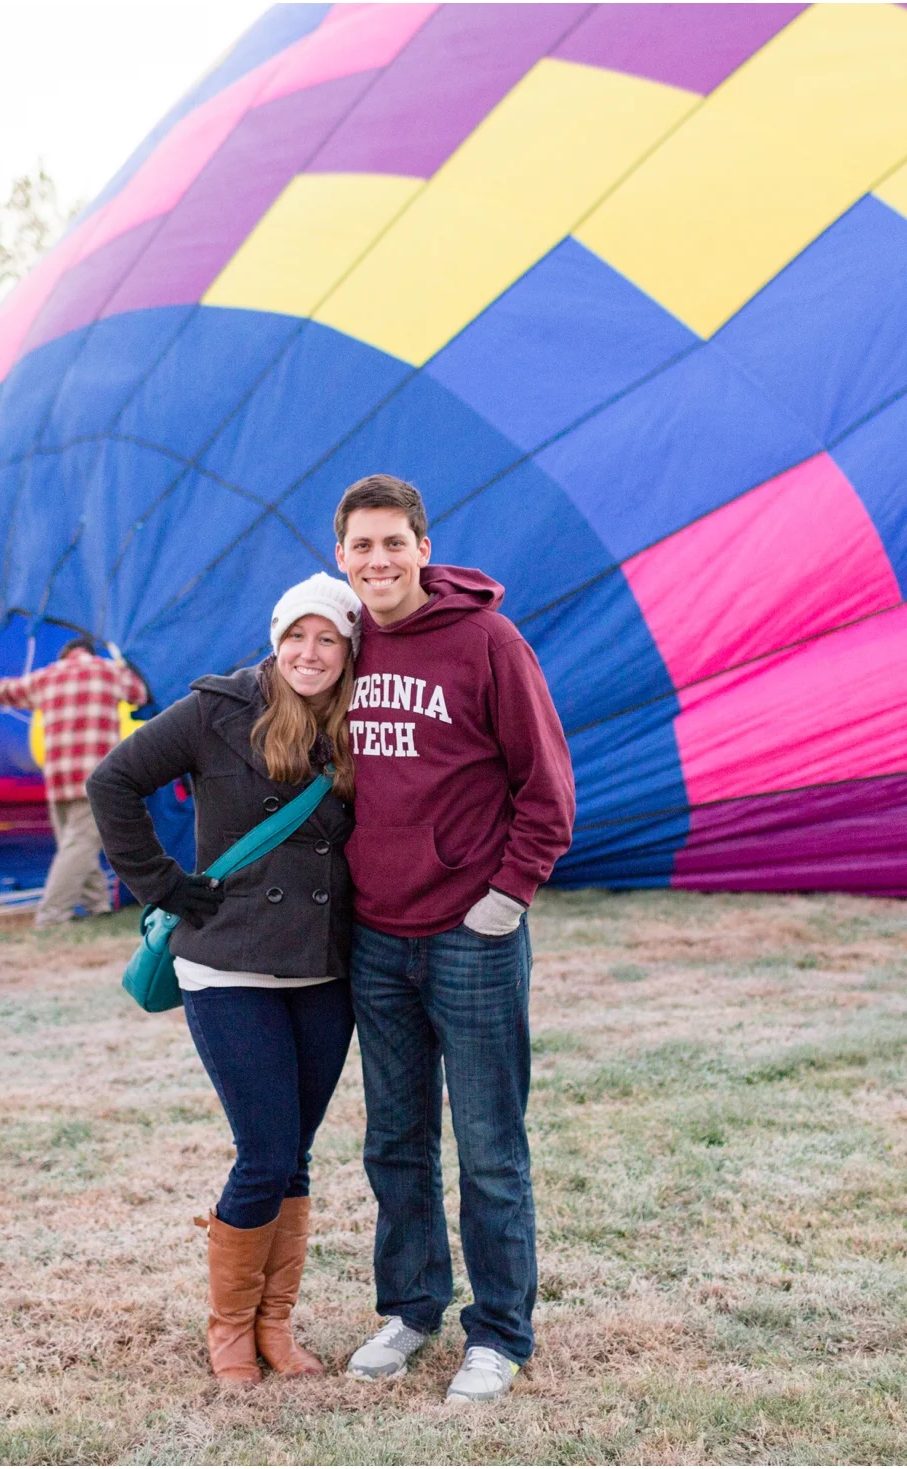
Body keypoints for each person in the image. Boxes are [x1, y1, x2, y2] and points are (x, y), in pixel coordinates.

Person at [331, 475, 575, 1405]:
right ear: (341, 555)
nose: (379, 561)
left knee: (489, 1146)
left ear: (424, 548)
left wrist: (506, 896)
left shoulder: (489, 641)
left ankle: (501, 1331)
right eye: (362, 547)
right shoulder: (345, 640)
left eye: (395, 543)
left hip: (471, 934)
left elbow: (546, 787)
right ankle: (412, 1306)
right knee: (394, 1140)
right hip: (377, 939)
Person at [85, 574, 364, 1385]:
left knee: (297, 1155)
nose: (309, 654)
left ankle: (276, 1324)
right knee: (265, 1149)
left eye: (328, 640)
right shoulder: (219, 707)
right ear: (275, 638)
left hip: (323, 964)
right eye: (296, 636)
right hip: (228, 960)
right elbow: (114, 781)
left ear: (346, 651)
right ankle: (229, 1330)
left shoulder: (360, 719)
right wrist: (162, 883)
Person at [0, 636, 148, 927]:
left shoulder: (48, 675)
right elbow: (140, 694)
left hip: (58, 779)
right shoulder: (109, 671)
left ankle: (97, 904)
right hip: (96, 776)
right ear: (90, 652)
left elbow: (8, 690)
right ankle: (52, 915)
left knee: (75, 844)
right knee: (80, 845)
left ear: (66, 655)